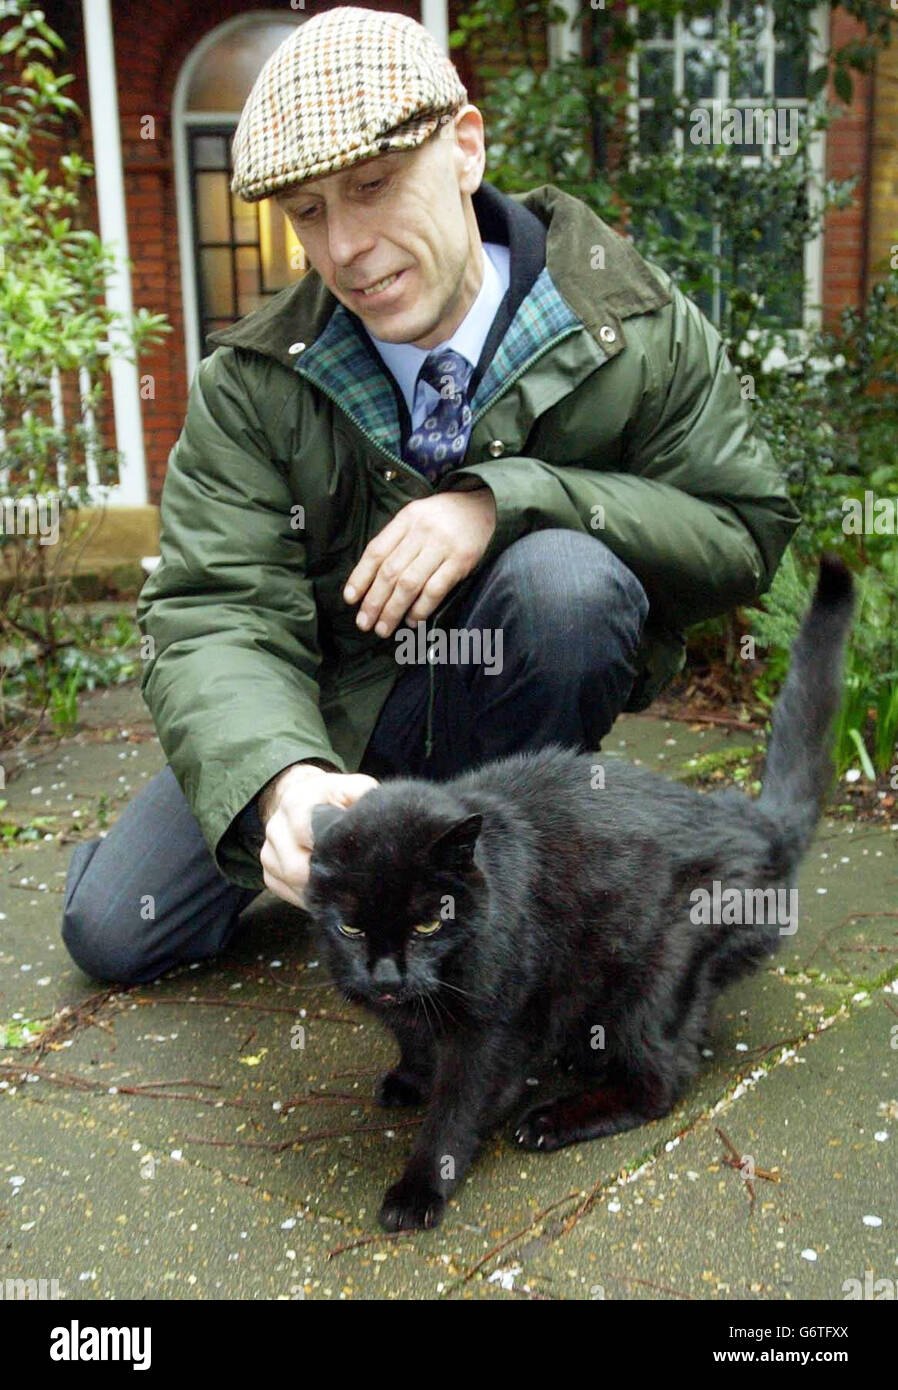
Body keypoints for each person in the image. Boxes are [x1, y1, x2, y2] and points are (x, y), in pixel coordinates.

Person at [61, 6, 800, 985]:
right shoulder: (251, 380)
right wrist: (282, 782)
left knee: (566, 584)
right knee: (115, 931)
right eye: (309, 212)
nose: (346, 249)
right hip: (325, 710)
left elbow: (742, 528)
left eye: (371, 187)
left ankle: (504, 895)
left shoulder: (632, 324)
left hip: (511, 687)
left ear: (463, 147)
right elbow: (215, 611)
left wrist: (515, 498)